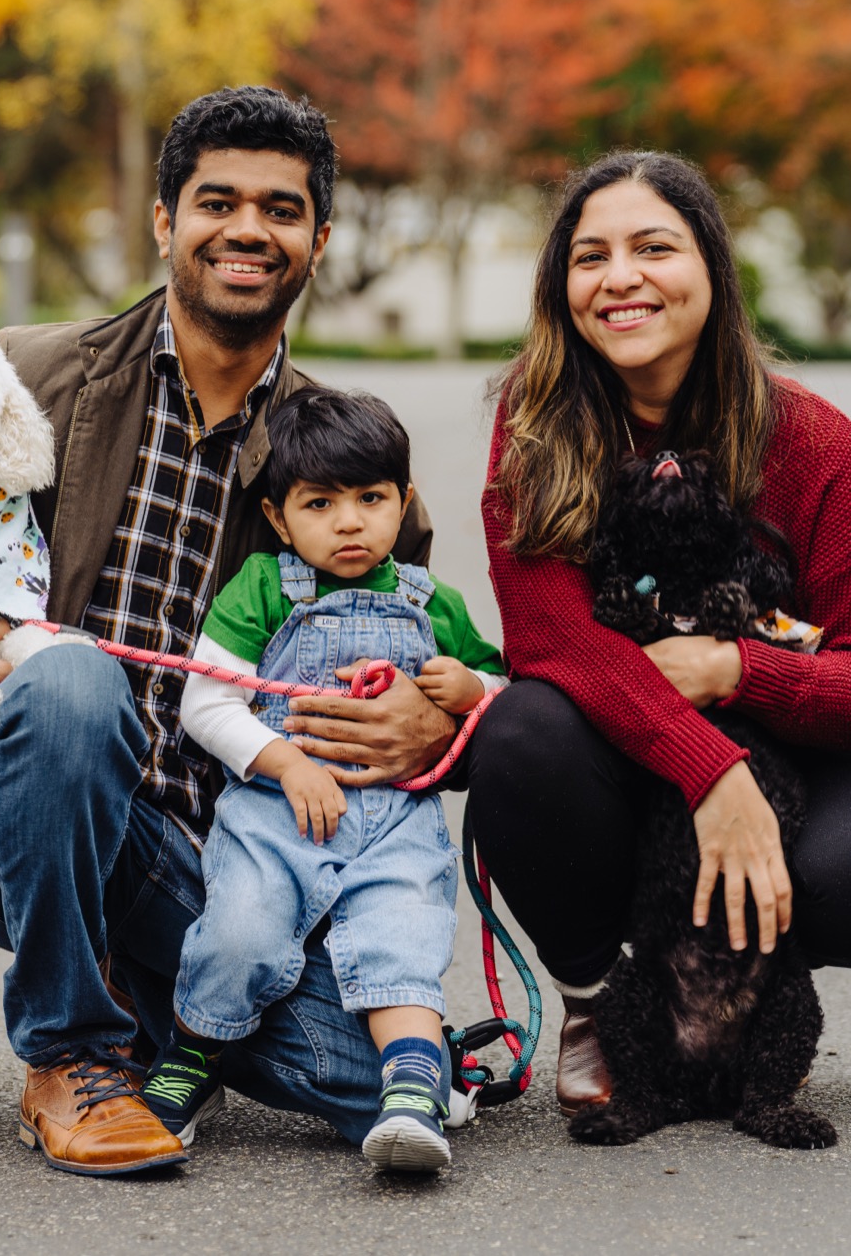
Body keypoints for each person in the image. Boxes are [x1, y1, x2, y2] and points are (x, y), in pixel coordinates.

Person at [0, 87, 466, 1177]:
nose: (247, 230)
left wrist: (426, 715)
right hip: (8, 803)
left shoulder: (340, 468)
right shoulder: (30, 375)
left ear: (316, 240)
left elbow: (402, 656)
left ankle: (147, 995)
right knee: (73, 679)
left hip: (211, 854)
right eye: (215, 202)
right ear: (163, 222)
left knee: (369, 1075)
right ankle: (68, 1051)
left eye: (280, 210)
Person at [466, 150, 851, 1121]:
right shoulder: (538, 427)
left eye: (652, 247)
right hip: (621, 765)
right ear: (559, 285)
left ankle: (735, 988)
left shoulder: (814, 444)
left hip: (785, 768)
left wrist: (735, 670)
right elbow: (554, 645)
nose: (620, 278)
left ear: (710, 270)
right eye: (589, 257)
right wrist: (709, 771)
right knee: (522, 732)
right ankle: (599, 997)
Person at [141, 387, 507, 1172]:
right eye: (320, 503)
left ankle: (411, 1094)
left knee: (400, 940)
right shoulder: (266, 588)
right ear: (279, 517)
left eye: (371, 498)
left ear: (402, 502)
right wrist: (283, 759)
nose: (349, 521)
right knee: (242, 927)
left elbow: (503, 687)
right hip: (279, 811)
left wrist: (472, 693)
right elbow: (207, 698)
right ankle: (195, 1058)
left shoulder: (428, 600)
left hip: (396, 819)